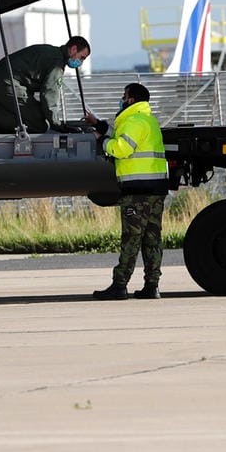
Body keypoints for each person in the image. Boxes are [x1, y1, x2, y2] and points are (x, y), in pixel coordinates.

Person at [94, 83, 171, 301]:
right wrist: (101, 126)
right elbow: (121, 135)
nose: (121, 98)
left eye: (124, 95)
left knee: (131, 239)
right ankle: (152, 286)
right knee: (152, 239)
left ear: (131, 99)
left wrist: (103, 142)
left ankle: (119, 286)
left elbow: (122, 148)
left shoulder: (133, 121)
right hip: (156, 189)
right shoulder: (147, 120)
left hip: (138, 192)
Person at [0, 36, 89, 133]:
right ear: (73, 49)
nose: (81, 62)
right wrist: (57, 125)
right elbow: (49, 94)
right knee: (39, 124)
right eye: (82, 57)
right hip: (6, 82)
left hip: (0, 79)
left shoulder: (52, 53)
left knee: (37, 114)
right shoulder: (57, 64)